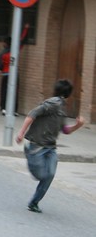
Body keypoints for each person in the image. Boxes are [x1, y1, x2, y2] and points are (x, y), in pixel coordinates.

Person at [16, 79, 85, 213]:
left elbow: (65, 130)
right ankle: (28, 153)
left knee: (50, 174)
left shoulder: (61, 109)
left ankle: (34, 202)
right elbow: (32, 114)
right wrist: (21, 132)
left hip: (50, 148)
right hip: (37, 146)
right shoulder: (52, 103)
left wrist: (78, 125)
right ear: (68, 93)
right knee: (41, 175)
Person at [0, 23, 29, 115]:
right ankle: (14, 110)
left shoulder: (2, 53)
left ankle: (4, 108)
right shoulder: (16, 49)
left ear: (5, 43)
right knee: (15, 91)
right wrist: (26, 29)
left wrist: (3, 69)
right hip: (15, 74)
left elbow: (0, 65)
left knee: (4, 91)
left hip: (5, 73)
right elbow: (22, 39)